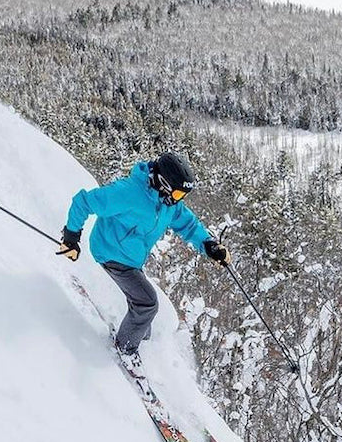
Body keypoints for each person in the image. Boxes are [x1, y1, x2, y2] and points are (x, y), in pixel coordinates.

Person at [57, 152, 231, 375]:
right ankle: (126, 348)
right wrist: (71, 237)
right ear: (162, 182)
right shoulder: (127, 193)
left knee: (142, 302)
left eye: (182, 195)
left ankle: (138, 335)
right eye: (177, 193)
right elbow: (83, 202)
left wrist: (208, 244)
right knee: (147, 302)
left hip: (132, 256)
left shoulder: (168, 202)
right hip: (111, 252)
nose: (178, 199)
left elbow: (188, 225)